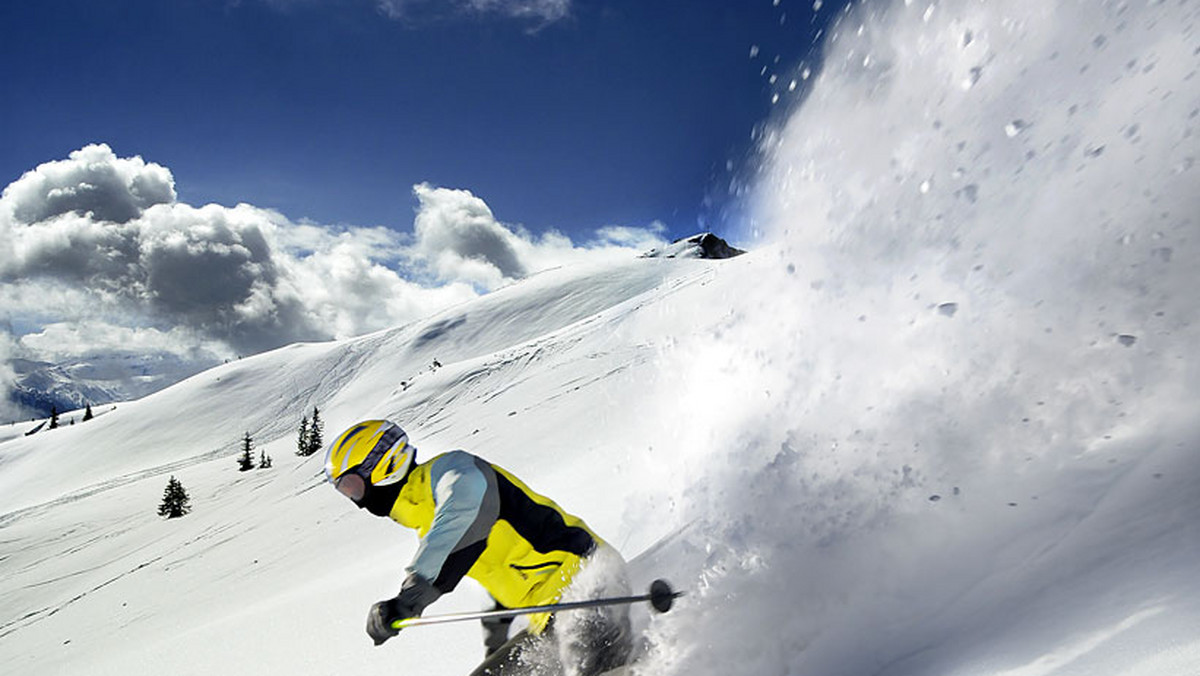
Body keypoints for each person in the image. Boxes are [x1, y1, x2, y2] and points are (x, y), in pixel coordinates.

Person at [325, 419, 633, 676]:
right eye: (345, 491)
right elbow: (497, 568)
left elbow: (466, 517)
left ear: (382, 465)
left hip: (589, 584)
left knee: (591, 665)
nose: (355, 500)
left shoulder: (454, 472)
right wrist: (497, 636)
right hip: (550, 616)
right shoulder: (426, 518)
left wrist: (409, 597)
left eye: (352, 485)